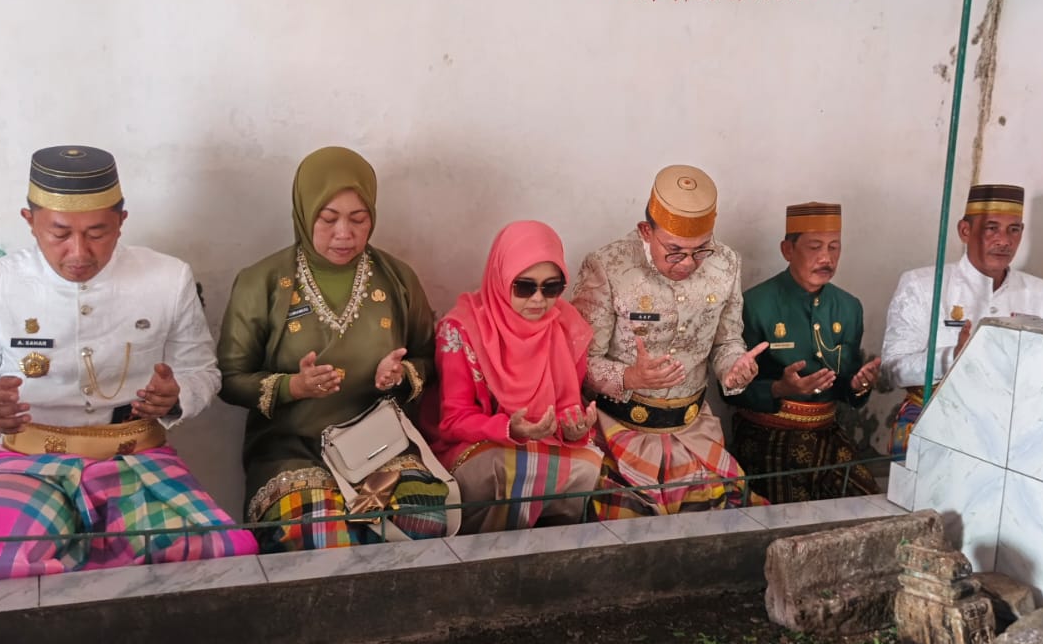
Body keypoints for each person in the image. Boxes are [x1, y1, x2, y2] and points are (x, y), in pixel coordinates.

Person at [0, 145, 257, 582]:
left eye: (98, 232)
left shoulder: (167, 278)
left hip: (136, 456)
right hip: (29, 460)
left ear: (121, 221)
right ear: (30, 221)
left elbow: (202, 372)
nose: (79, 252)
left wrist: (178, 396)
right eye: (59, 233)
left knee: (222, 552)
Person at [216, 146, 442, 551]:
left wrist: (402, 374)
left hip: (382, 445)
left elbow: (429, 359)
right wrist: (293, 387)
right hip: (292, 449)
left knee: (421, 520)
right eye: (328, 218)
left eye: (359, 218)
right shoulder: (262, 282)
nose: (344, 233)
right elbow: (230, 380)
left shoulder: (397, 279)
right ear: (305, 212)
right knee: (324, 538)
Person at [570, 165, 766, 519]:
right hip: (616, 431)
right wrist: (630, 377)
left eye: (701, 249)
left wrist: (734, 368)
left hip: (693, 428)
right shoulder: (608, 266)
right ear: (646, 231)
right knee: (621, 526)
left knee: (723, 520)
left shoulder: (726, 264)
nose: (689, 263)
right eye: (674, 251)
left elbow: (726, 341)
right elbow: (579, 362)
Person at [421, 221, 602, 531]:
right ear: (501, 278)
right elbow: (453, 420)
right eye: (525, 286)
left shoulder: (564, 326)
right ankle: (488, 552)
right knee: (502, 467)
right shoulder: (462, 329)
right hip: (479, 444)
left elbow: (566, 407)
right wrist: (509, 429)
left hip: (544, 442)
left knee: (588, 466)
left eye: (551, 287)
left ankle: (552, 549)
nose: (538, 299)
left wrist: (574, 429)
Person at [881, 184, 1043, 458]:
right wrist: (952, 357)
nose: (1004, 240)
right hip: (933, 420)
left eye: (1013, 230)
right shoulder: (922, 285)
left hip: (1009, 429)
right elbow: (892, 370)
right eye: (992, 228)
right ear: (965, 230)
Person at [727, 202, 882, 502]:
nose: (826, 258)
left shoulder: (849, 307)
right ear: (787, 250)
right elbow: (730, 391)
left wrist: (858, 385)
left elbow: (847, 387)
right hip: (768, 434)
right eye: (814, 247)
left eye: (834, 247)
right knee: (791, 516)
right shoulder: (755, 304)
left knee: (868, 505)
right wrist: (779, 388)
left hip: (827, 432)